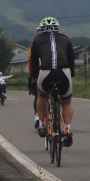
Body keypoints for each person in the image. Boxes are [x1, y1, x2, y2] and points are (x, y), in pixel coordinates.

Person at [29, 17, 76, 147]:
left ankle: (43, 125)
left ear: (41, 29)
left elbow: (33, 62)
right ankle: (67, 129)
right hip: (64, 72)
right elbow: (71, 59)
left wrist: (34, 77)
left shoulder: (37, 40)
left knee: (41, 95)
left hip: (45, 72)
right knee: (66, 102)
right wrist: (71, 73)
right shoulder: (66, 39)